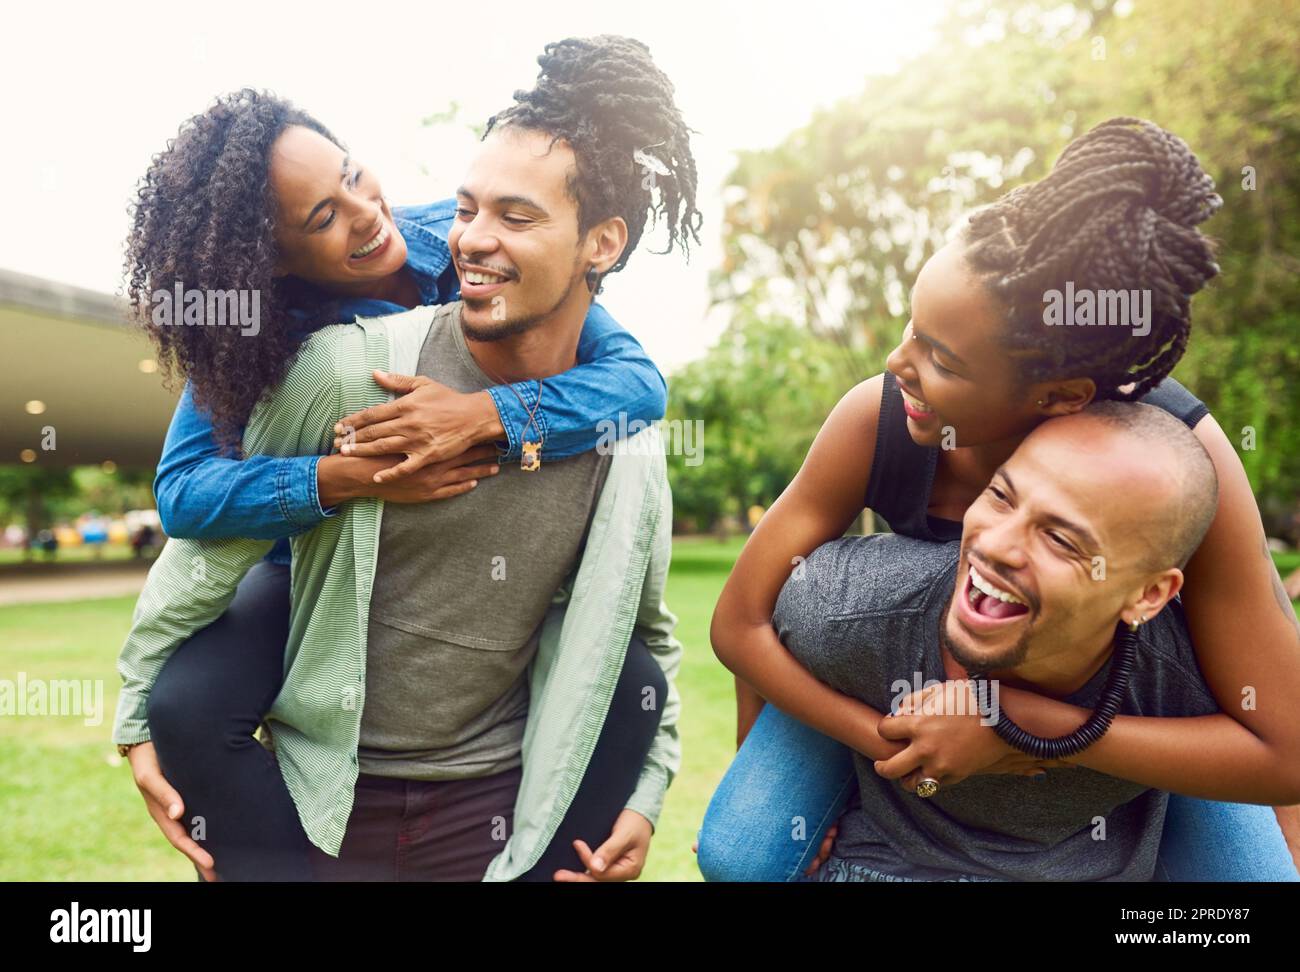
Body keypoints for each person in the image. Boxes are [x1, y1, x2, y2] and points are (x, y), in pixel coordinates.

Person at [114, 33, 699, 882]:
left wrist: (481, 418)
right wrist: (339, 480)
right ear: (269, 262)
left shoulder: (448, 239)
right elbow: (186, 499)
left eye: (353, 175)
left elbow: (636, 384)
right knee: (191, 704)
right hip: (305, 556)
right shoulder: (285, 345)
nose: (365, 214)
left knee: (625, 672)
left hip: (467, 640)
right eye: (323, 218)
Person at [702, 117, 1300, 881]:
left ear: (1059, 396)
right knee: (743, 852)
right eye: (912, 330)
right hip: (888, 677)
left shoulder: (1173, 459)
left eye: (940, 356)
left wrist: (1029, 729)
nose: (898, 363)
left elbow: (1282, 744)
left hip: (1124, 692)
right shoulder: (879, 417)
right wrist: (893, 740)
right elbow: (744, 623)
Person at [776, 403, 1234, 880]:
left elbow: (1279, 756)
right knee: (740, 850)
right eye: (1000, 496)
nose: (994, 545)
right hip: (884, 861)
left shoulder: (1190, 683)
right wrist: (789, 800)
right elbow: (749, 625)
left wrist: (1015, 721)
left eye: (1059, 538)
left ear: (1148, 595)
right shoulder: (845, 605)